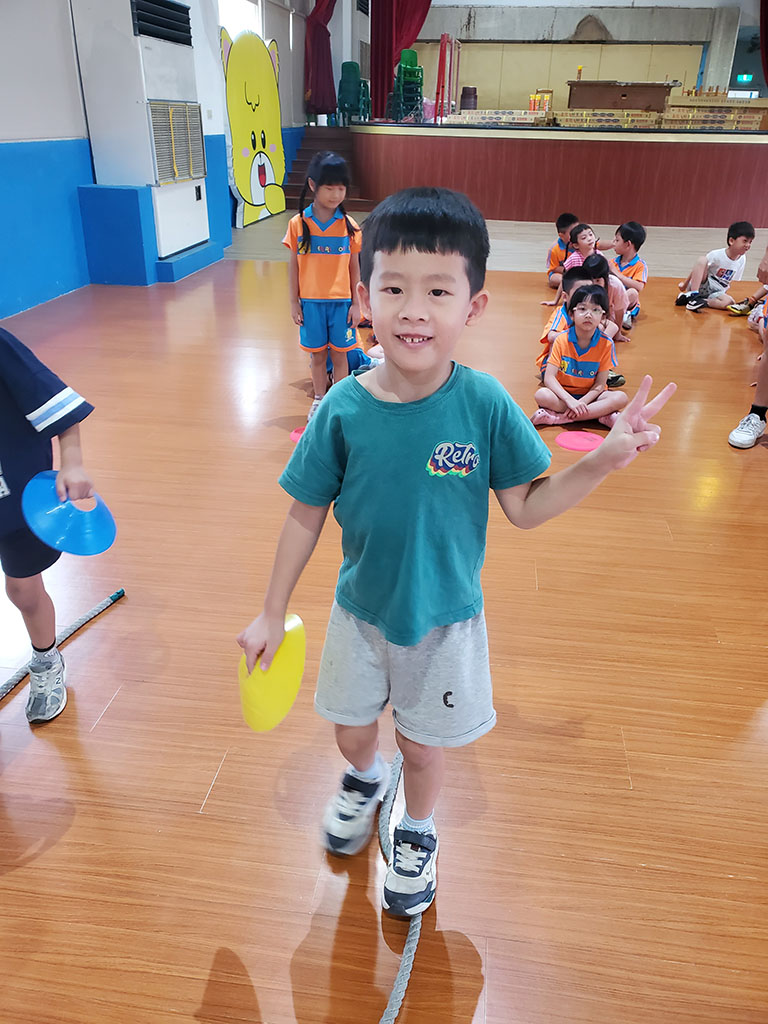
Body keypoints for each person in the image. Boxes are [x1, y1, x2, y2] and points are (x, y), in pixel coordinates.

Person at [237, 187, 675, 918]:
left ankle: (416, 829)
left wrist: (602, 460)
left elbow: (526, 507)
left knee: (423, 748)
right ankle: (365, 779)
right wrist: (269, 611)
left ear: (473, 306)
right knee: (351, 732)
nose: (414, 310)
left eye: (438, 291)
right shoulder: (341, 408)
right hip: (359, 613)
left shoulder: (484, 404)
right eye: (393, 288)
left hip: (445, 622)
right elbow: (304, 515)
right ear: (364, 296)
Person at [0, 327, 95, 723]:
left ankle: (46, 659)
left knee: (23, 590)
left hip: (17, 500)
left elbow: (58, 406)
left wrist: (72, 463)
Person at [283, 151, 362, 421]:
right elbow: (293, 266)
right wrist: (294, 302)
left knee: (340, 357)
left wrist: (357, 304)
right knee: (317, 357)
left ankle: (339, 400)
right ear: (313, 185)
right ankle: (319, 399)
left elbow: (354, 268)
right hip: (311, 304)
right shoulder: (298, 225)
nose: (336, 194)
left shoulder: (350, 227)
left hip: (341, 304)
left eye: (341, 188)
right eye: (329, 187)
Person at [531, 284, 629, 427]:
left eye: (595, 310)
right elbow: (549, 378)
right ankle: (599, 415)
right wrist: (570, 401)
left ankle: (560, 418)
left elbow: (600, 384)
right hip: (563, 395)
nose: (588, 314)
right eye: (582, 309)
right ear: (572, 314)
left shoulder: (606, 343)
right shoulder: (561, 340)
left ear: (603, 316)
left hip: (592, 397)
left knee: (621, 397)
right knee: (542, 395)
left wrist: (582, 402)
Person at [676, 221, 754, 313]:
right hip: (704, 285)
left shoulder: (742, 259)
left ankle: (697, 300)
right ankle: (693, 296)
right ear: (731, 241)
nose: (748, 245)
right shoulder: (716, 255)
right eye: (745, 241)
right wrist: (684, 286)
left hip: (717, 292)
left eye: (750, 242)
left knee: (729, 302)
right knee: (702, 260)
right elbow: (697, 269)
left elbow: (731, 281)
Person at [603, 222, 648, 330]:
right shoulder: (612, 262)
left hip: (627, 303)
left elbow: (639, 286)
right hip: (611, 301)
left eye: (617, 240)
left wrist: (618, 275)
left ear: (628, 244)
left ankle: (617, 316)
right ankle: (612, 316)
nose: (613, 243)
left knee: (632, 292)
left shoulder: (640, 265)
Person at [581, 253, 630, 343]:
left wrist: (618, 333)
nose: (593, 284)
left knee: (604, 329)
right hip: (588, 318)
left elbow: (619, 310)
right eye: (590, 280)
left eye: (598, 280)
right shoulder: (581, 285)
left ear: (606, 278)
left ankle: (601, 344)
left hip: (607, 318)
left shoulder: (615, 285)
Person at [546, 212, 579, 290]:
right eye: (572, 232)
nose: (576, 234)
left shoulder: (582, 241)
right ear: (561, 235)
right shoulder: (554, 248)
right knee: (555, 279)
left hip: (580, 274)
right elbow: (554, 268)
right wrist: (570, 272)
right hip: (562, 273)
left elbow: (599, 244)